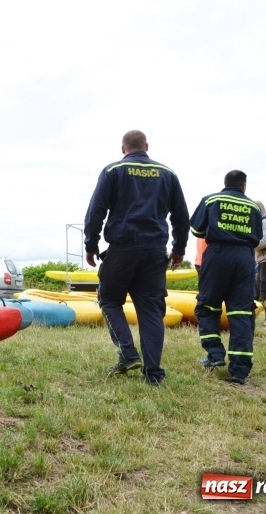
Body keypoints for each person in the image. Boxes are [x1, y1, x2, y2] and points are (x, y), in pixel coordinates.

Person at [84, 130, 189, 385]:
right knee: (151, 310)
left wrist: (91, 244)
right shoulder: (168, 173)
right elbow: (181, 216)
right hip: (155, 251)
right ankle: (153, 373)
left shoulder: (113, 171)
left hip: (122, 247)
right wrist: (179, 249)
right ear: (147, 147)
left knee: (109, 300)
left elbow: (96, 210)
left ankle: (128, 353)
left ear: (123, 149)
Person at [190, 170, 262, 385]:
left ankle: (215, 354)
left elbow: (196, 229)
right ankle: (239, 372)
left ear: (225, 183)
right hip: (245, 258)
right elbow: (257, 238)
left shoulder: (212, 200)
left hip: (218, 255)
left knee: (207, 306)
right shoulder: (253, 207)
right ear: (244, 186)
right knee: (241, 312)